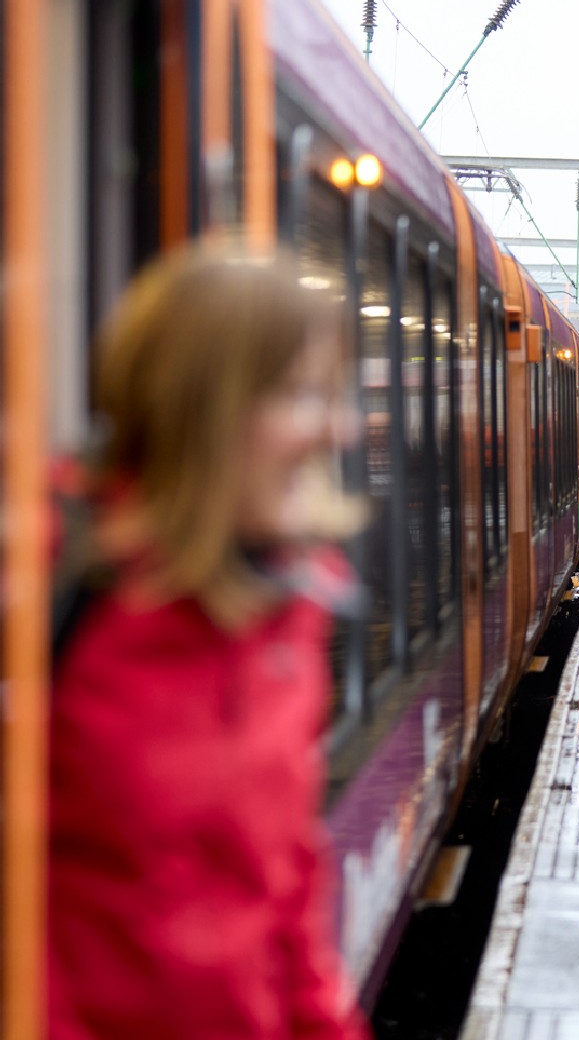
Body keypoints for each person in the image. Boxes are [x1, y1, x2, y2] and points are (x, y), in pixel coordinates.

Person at [48, 247, 372, 1038]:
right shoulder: (51, 584)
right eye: (301, 395)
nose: (340, 428)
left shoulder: (292, 607)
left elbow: (285, 888)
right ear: (202, 409)